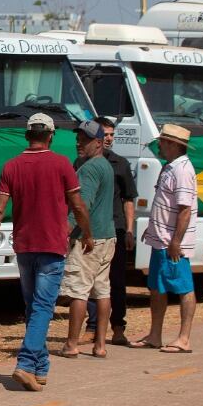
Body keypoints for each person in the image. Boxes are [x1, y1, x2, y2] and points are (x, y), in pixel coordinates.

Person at [0, 113, 93, 391]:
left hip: (25, 246)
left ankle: (41, 367)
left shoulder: (11, 166)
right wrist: (88, 233)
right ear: (51, 136)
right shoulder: (62, 164)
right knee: (43, 307)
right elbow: (77, 205)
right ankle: (26, 362)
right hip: (52, 246)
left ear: (27, 135)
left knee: (34, 308)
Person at [131, 123, 198, 353]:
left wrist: (176, 242)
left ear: (172, 144)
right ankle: (155, 334)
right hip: (161, 241)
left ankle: (184, 338)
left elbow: (185, 209)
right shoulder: (170, 167)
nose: (159, 145)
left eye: (162, 142)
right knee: (157, 288)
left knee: (183, 287)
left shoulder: (182, 170)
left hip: (172, 243)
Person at [57, 120, 117, 359]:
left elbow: (82, 205)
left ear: (99, 143)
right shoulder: (105, 165)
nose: (79, 143)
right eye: (79, 138)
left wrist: (69, 231)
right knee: (102, 291)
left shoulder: (90, 168)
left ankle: (71, 344)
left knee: (78, 292)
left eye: (86, 139)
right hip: (108, 236)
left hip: (87, 239)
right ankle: (100, 345)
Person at [83, 116, 138, 346]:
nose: (109, 139)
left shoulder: (120, 164)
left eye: (112, 135)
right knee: (90, 282)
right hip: (92, 230)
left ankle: (118, 327)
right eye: (105, 134)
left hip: (114, 228)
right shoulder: (82, 163)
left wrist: (129, 230)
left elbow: (128, 199)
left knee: (116, 281)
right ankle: (93, 328)